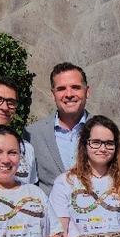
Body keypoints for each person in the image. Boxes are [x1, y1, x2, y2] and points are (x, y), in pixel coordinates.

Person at [29, 62, 91, 195]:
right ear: (53, 95)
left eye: (75, 87)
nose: (69, 94)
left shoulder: (107, 131)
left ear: (87, 92)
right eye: (61, 89)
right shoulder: (33, 134)